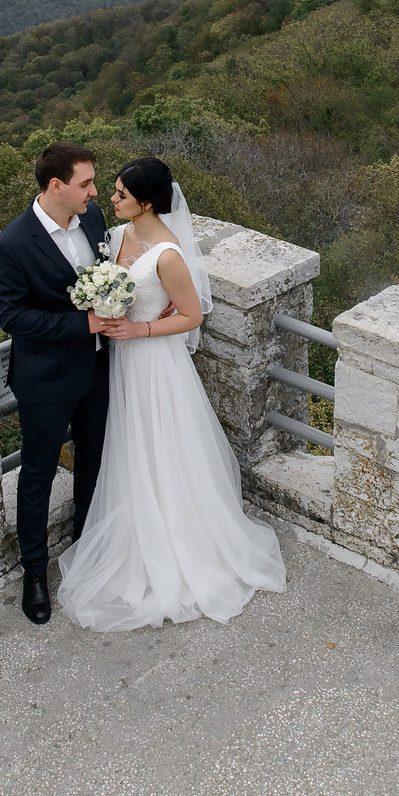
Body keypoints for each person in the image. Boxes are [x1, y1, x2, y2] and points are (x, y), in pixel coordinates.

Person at [57, 155, 287, 631]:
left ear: (145, 203)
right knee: (128, 444)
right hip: (119, 363)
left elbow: (191, 315)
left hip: (153, 363)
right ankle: (136, 531)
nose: (110, 199)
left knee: (160, 444)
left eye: (120, 194)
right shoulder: (119, 236)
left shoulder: (168, 254)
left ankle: (176, 541)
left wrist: (138, 331)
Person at [0, 142, 111, 625]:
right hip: (47, 378)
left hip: (99, 369)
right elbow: (13, 317)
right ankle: (34, 573)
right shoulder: (12, 244)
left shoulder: (93, 219)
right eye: (85, 183)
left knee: (94, 459)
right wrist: (84, 325)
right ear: (55, 186)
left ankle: (86, 548)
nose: (94, 191)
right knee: (36, 475)